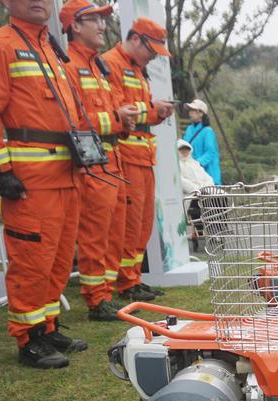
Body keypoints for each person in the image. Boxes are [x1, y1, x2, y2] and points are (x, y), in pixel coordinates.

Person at [0, 0, 91, 368]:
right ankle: (29, 339)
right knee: (32, 261)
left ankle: (47, 327)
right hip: (31, 181)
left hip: (66, 174)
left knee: (58, 260)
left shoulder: (50, 47)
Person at [59, 0, 138, 322]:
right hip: (93, 163)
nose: (103, 26)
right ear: (75, 26)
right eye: (95, 20)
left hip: (111, 159)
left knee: (114, 233)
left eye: (103, 20)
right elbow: (73, 121)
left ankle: (106, 293)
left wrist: (125, 118)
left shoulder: (98, 66)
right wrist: (116, 118)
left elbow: (111, 111)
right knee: (95, 234)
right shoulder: (68, 65)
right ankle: (96, 299)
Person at [103, 17, 175, 302]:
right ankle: (125, 283)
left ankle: (133, 279)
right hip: (125, 156)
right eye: (152, 50)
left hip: (144, 156)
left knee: (143, 224)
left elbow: (141, 114)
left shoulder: (137, 69)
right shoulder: (111, 63)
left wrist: (158, 112)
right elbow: (118, 110)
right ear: (135, 39)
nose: (154, 57)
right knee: (130, 225)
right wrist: (151, 108)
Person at [177, 138, 213, 251]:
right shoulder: (177, 165)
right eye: (182, 150)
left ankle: (217, 229)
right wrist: (197, 189)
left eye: (186, 150)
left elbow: (208, 178)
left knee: (220, 199)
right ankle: (199, 231)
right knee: (197, 205)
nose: (184, 152)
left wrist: (206, 188)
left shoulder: (195, 164)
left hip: (204, 193)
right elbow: (181, 181)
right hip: (191, 195)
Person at [182, 99, 222, 184]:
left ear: (201, 113)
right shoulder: (189, 129)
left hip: (208, 176)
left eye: (193, 110)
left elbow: (210, 152)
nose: (190, 113)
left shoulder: (208, 131)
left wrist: (197, 163)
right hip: (192, 176)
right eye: (190, 110)